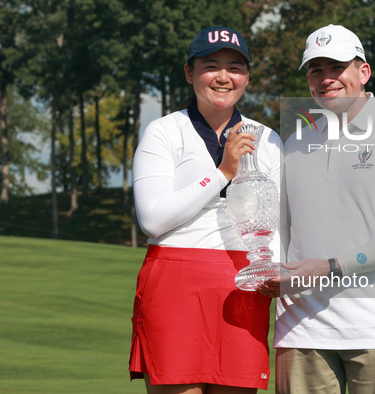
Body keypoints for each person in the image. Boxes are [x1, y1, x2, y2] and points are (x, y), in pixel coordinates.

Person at [257, 25, 375, 394]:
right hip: (300, 330)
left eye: (337, 66)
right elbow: (283, 229)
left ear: (363, 72)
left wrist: (331, 267)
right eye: (316, 69)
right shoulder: (295, 142)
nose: (326, 79)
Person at [128, 26, 285, 394]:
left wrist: (277, 273)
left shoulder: (267, 138)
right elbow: (152, 220)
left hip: (245, 284)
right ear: (189, 72)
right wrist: (222, 173)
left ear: (246, 76)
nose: (224, 76)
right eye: (211, 65)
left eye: (235, 66)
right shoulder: (164, 131)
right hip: (174, 282)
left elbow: (278, 224)